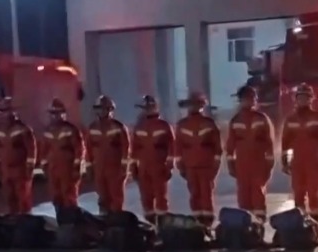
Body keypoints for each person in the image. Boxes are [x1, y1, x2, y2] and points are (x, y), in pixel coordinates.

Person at [280, 83, 318, 222]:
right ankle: (300, 222)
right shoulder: (290, 119)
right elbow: (285, 142)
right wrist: (285, 162)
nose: (303, 100)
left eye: (306, 97)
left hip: (314, 162)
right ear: (296, 99)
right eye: (300, 97)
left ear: (311, 99)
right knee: (298, 193)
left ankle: (315, 223)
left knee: (313, 193)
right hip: (297, 163)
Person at [225, 85, 275, 223]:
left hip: (259, 163)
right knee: (243, 195)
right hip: (242, 165)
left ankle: (259, 223)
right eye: (248, 98)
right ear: (241, 100)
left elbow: (269, 142)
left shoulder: (262, 119)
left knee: (258, 193)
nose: (251, 101)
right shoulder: (235, 120)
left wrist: (269, 164)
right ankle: (245, 224)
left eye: (253, 98)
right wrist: (230, 163)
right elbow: (230, 145)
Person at [175, 92, 222, 227]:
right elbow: (178, 146)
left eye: (196, 105)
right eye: (192, 105)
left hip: (205, 165)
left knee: (206, 194)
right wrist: (180, 165)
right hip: (191, 166)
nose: (194, 107)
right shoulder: (182, 125)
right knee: (195, 194)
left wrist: (215, 165)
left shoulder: (208, 124)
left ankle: (207, 223)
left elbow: (217, 147)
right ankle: (197, 223)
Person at [131, 95, 175, 226]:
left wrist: (169, 166)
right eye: (143, 108)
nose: (145, 111)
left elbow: (172, 147)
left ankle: (163, 226)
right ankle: (151, 224)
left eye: (147, 108)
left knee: (161, 197)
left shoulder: (163, 126)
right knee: (146, 197)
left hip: (159, 166)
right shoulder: (139, 127)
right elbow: (134, 149)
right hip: (143, 168)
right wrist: (133, 168)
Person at [85, 95, 131, 215]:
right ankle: (104, 220)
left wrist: (124, 167)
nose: (101, 111)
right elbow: (88, 149)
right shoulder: (92, 128)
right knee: (102, 196)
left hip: (115, 169)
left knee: (116, 196)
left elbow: (126, 148)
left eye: (104, 109)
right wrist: (89, 167)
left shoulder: (119, 127)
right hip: (99, 169)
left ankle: (117, 220)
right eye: (99, 109)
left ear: (110, 110)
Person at [40, 98, 85, 214]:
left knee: (69, 194)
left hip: (67, 168)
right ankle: (61, 218)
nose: (55, 116)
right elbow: (44, 150)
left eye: (58, 113)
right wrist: (44, 166)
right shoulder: (47, 131)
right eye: (52, 113)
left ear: (63, 113)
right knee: (55, 194)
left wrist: (77, 167)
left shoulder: (71, 129)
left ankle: (72, 219)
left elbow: (79, 150)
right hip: (53, 169)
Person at [0, 97, 37, 214]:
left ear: (14, 112)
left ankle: (26, 219)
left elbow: (31, 149)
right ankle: (13, 218)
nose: (4, 114)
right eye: (2, 111)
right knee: (9, 196)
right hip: (6, 170)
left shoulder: (23, 129)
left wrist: (29, 167)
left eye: (7, 111)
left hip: (20, 169)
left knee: (23, 197)